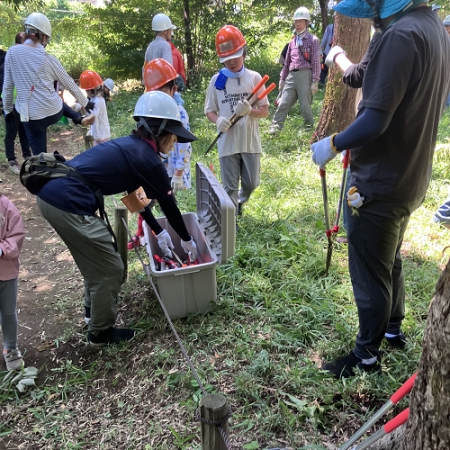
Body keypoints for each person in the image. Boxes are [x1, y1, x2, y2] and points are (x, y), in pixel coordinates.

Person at [311, 0, 450, 378]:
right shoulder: (429, 27)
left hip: (379, 180)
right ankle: (392, 328)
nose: (369, 14)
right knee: (389, 257)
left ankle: (365, 356)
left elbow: (374, 120)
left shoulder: (399, 36)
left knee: (370, 265)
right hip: (409, 177)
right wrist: (337, 58)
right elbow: (361, 76)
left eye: (371, 5)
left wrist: (333, 143)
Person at [34, 91, 198, 346]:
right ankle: (100, 332)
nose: (174, 142)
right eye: (174, 135)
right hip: (66, 201)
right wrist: (187, 240)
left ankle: (92, 314)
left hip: (53, 196)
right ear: (160, 130)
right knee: (110, 268)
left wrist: (159, 231)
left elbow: (135, 198)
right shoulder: (147, 158)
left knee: (97, 261)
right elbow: (169, 205)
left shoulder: (132, 148)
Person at [2, 13, 93, 156]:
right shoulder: (49, 59)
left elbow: (7, 88)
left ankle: (43, 162)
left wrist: (8, 111)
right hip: (52, 112)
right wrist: (86, 103)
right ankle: (77, 118)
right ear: (43, 37)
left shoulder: (12, 53)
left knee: (39, 153)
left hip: (27, 114)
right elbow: (70, 84)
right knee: (57, 101)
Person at [128, 59, 193, 249]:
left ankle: (148, 235)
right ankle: (143, 235)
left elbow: (184, 145)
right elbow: (133, 193)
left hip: (166, 166)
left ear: (173, 88)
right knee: (145, 199)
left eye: (162, 91)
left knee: (158, 200)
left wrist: (179, 172)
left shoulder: (179, 112)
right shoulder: (149, 110)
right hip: (153, 165)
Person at [205, 25, 269, 218]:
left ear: (243, 52)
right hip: (227, 142)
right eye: (226, 59)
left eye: (235, 56)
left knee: (251, 183)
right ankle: (230, 221)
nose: (231, 62)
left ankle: (241, 201)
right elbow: (209, 110)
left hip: (249, 141)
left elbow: (264, 111)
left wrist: (250, 111)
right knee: (229, 186)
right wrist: (218, 121)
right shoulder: (217, 80)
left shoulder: (254, 77)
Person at [269, 7, 321, 134]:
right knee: (283, 103)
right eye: (296, 21)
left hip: (305, 74)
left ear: (307, 22)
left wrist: (315, 81)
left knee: (305, 106)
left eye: (301, 21)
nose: (297, 24)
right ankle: (275, 129)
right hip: (291, 75)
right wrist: (282, 79)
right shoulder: (292, 42)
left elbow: (315, 61)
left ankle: (309, 130)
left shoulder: (313, 40)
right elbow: (287, 63)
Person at [0, 193, 26, 371]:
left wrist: (2, 249)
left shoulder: (5, 205)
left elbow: (18, 233)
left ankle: (10, 346)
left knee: (8, 312)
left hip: (6, 270)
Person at [3, 32, 32, 175]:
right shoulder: (11, 58)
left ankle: (28, 157)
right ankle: (12, 161)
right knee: (11, 132)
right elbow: (6, 86)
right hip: (11, 102)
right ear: (17, 45)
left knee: (24, 131)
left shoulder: (27, 59)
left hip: (24, 101)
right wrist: (7, 108)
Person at [79, 70, 110, 146]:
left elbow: (92, 116)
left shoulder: (98, 101)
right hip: (99, 134)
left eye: (87, 90)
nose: (86, 92)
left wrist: (82, 117)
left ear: (92, 90)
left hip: (101, 137)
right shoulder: (96, 99)